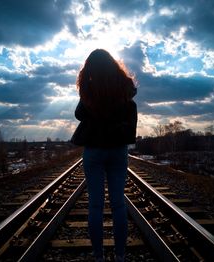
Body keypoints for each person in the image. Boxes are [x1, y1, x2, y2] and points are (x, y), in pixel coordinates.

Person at [71, 49, 137, 262]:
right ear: (113, 65)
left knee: (95, 205)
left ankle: (98, 256)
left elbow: (79, 114)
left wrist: (90, 93)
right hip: (118, 150)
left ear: (90, 67)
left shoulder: (90, 89)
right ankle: (120, 256)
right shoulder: (124, 87)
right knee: (118, 204)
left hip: (94, 151)